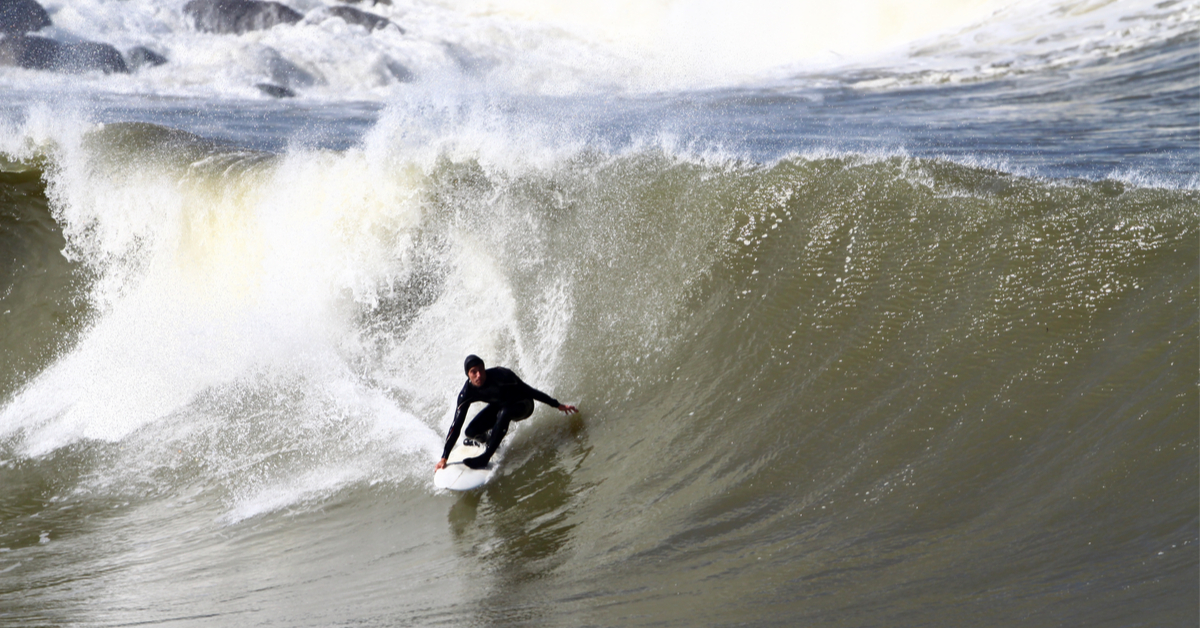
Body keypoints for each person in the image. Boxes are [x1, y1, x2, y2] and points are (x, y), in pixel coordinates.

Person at [435, 355, 577, 471]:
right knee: (471, 432)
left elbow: (530, 391)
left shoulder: (501, 375)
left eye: (481, 370)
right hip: (500, 406)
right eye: (473, 372)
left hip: (523, 404)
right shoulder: (466, 393)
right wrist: (444, 457)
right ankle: (491, 440)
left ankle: (486, 456)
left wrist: (557, 405)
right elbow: (456, 425)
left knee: (505, 412)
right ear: (468, 375)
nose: (479, 375)